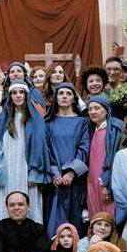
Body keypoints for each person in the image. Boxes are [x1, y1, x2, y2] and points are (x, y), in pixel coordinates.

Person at [0, 81, 50, 224]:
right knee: (4, 204)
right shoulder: (1, 119)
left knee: (28, 204)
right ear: (10, 96)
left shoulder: (36, 119)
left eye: (21, 92)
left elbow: (40, 149)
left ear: (27, 95)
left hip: (26, 171)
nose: (18, 96)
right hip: (5, 170)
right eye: (14, 93)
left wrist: (35, 174)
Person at [44, 82, 90, 238]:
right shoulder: (48, 123)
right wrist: (55, 173)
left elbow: (84, 148)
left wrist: (71, 172)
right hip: (55, 181)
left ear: (74, 99)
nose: (64, 96)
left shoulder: (83, 122)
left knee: (75, 219)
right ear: (56, 98)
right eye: (61, 93)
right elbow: (46, 149)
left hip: (75, 179)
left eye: (68, 94)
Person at [86, 94, 126, 222]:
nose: (93, 112)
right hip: (92, 180)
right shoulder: (92, 129)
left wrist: (107, 184)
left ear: (106, 109)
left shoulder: (115, 127)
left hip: (106, 180)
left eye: (97, 108)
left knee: (108, 216)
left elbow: (115, 157)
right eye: (90, 109)